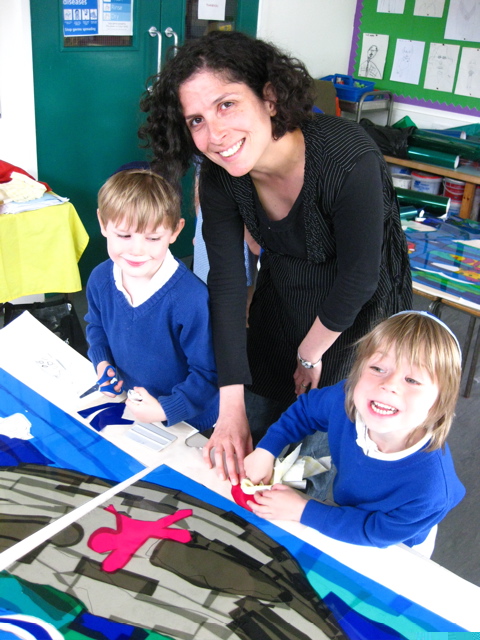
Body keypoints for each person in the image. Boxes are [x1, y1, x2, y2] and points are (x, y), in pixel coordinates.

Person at [139, 30, 412, 484]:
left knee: (314, 467)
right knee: (245, 434)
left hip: (359, 321)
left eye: (227, 104)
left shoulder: (346, 155)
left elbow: (360, 276)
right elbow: (227, 287)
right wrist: (230, 407)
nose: (215, 135)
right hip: (284, 300)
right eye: (196, 120)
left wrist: (310, 354)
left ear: (269, 98)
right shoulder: (221, 176)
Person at [243, 311, 465, 556]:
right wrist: (266, 450)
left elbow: (374, 532)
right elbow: (306, 411)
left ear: (440, 400)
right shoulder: (345, 398)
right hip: (344, 513)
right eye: (378, 368)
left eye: (412, 380)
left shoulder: (432, 488)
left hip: (396, 543)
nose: (389, 385)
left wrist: (303, 511)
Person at [84, 169, 219, 431]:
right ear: (102, 223)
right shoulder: (100, 278)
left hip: (191, 423)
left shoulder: (191, 298)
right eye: (124, 235)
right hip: (133, 408)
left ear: (175, 230)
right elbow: (97, 326)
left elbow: (209, 373)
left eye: (153, 238)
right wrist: (102, 361)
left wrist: (165, 408)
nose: (137, 250)